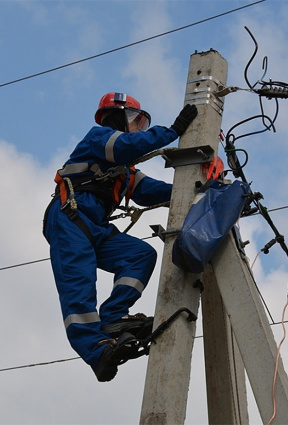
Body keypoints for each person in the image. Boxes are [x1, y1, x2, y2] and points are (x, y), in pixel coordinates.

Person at [43, 92, 198, 382]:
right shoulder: (100, 138)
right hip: (69, 219)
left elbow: (151, 191)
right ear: (117, 117)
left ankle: (113, 317)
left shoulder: (124, 171)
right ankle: (96, 351)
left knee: (139, 255)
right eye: (135, 120)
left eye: (142, 122)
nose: (138, 127)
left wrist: (196, 189)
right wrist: (171, 132)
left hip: (96, 226)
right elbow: (128, 145)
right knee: (79, 287)